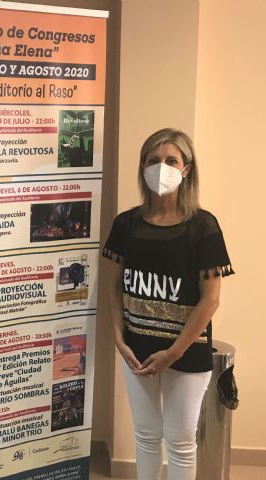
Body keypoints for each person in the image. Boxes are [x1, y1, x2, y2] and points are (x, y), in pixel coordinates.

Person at [102, 128, 234, 480]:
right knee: (146, 435)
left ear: (186, 169)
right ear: (142, 167)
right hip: (136, 350)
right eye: (153, 160)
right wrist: (119, 339)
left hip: (186, 352)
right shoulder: (125, 224)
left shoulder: (203, 227)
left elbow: (210, 300)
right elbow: (113, 287)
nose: (161, 167)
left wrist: (173, 353)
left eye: (171, 161)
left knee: (179, 441)